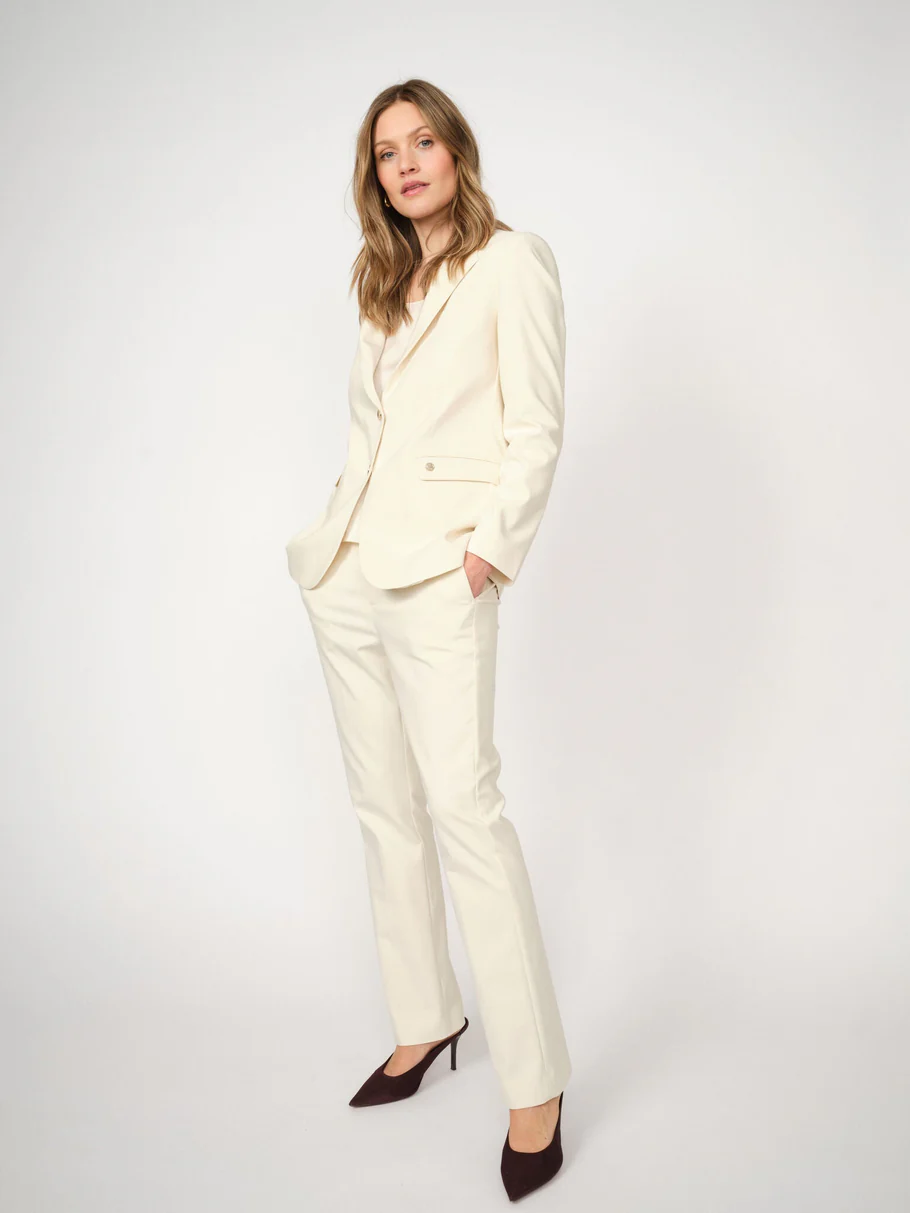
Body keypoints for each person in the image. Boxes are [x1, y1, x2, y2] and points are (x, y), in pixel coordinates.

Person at [285, 78, 571, 1201]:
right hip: (350, 570)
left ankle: (536, 1081)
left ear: (457, 151)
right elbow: (373, 435)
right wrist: (331, 542)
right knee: (382, 806)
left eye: (422, 143)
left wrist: (486, 553)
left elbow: (536, 426)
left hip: (444, 571)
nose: (405, 163)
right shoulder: (378, 282)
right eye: (385, 151)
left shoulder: (512, 263)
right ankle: (425, 1017)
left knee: (465, 812)